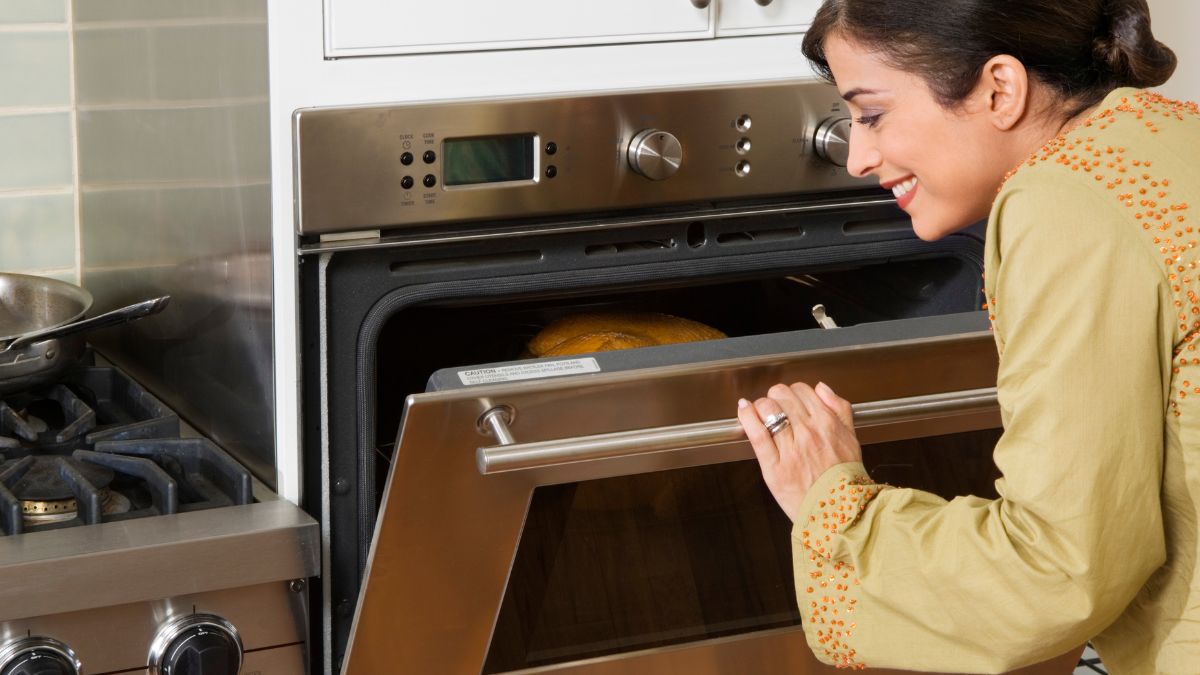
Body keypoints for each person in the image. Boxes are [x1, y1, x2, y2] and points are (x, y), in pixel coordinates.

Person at [735, 0, 1199, 672]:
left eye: (871, 114)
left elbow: (1058, 569)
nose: (858, 157)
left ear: (1000, 88)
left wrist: (833, 505)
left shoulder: (1063, 200)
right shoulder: (1172, 136)